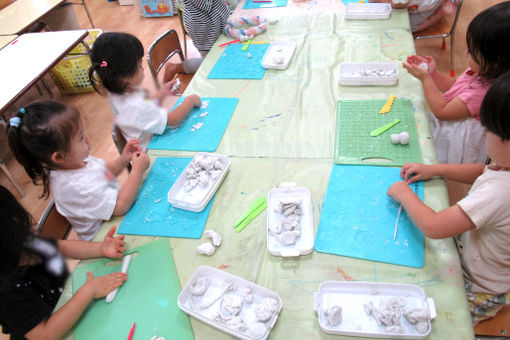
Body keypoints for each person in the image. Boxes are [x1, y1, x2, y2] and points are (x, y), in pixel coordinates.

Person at [387, 71, 510, 325]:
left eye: (489, 130)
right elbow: (481, 171)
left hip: (481, 287)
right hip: (478, 251)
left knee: (435, 319)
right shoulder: (504, 165)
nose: (484, 133)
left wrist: (405, 194)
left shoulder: (500, 192)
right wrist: (435, 169)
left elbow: (434, 226)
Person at [6, 101, 150, 241]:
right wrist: (136, 171)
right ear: (59, 156)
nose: (87, 139)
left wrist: (124, 159)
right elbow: (120, 207)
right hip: (106, 237)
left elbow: (105, 173)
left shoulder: (76, 162)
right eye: (80, 137)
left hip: (117, 214)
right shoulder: (73, 186)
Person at [0, 185, 128, 340]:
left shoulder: (20, 242)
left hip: (65, 305)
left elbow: (63, 247)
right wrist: (88, 292)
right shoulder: (6, 293)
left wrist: (100, 249)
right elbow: (45, 335)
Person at [402, 1, 510, 164]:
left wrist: (426, 79)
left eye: (473, 52)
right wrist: (434, 74)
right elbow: (455, 86)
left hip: (455, 136)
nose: (466, 52)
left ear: (498, 61)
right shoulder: (483, 71)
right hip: (448, 125)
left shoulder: (480, 94)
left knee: (438, 156)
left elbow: (442, 111)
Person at [89, 32, 201, 151]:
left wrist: (162, 94)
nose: (143, 69)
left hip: (153, 137)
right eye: (139, 65)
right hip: (153, 152)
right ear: (126, 78)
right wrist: (191, 100)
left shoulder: (122, 91)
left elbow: (147, 103)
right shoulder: (134, 106)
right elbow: (174, 119)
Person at [162, 0, 231, 82]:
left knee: (220, 55)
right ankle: (174, 68)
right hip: (205, 25)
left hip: (213, 21)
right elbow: (205, 6)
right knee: (211, 61)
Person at [369, 0, 455, 33]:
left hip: (426, 5)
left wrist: (380, 0)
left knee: (407, 27)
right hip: (411, 5)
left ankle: (440, 13)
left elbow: (399, 5)